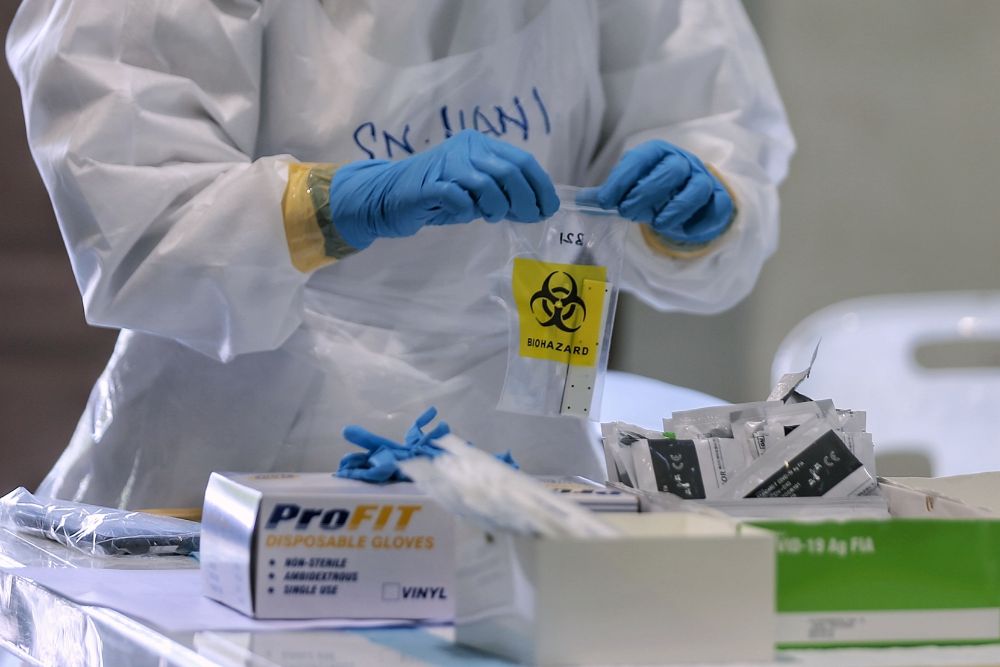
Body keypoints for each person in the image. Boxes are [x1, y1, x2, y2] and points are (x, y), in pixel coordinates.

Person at [6, 0, 794, 510]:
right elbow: (139, 217)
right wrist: (343, 201)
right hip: (228, 463)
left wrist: (699, 201)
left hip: (523, 459)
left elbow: (712, 108)